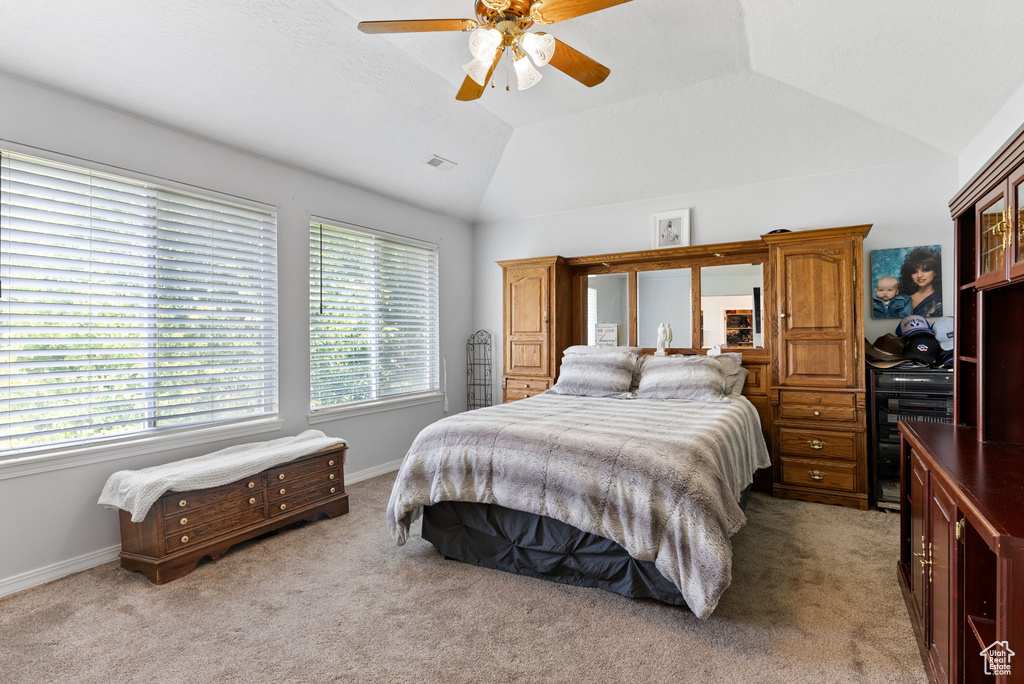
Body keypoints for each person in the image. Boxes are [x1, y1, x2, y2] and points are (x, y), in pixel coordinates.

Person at [898, 247, 942, 317]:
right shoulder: (902, 296)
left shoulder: (940, 300)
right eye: (915, 272)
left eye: (925, 270)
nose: (919, 275)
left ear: (935, 272)